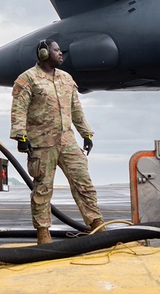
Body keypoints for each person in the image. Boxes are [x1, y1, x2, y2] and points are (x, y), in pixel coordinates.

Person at [10, 38, 105, 244]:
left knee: (84, 183)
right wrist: (20, 136)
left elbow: (76, 109)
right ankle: (43, 233)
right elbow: (19, 109)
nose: (61, 53)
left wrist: (86, 134)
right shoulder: (27, 79)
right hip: (41, 144)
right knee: (43, 189)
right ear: (44, 54)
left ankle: (97, 224)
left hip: (67, 141)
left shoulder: (66, 79)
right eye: (56, 50)